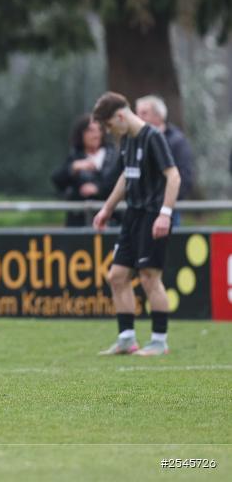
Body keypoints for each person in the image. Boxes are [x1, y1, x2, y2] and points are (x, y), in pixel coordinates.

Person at [91, 91, 180, 357]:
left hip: (153, 215)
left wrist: (165, 214)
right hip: (132, 216)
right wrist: (107, 208)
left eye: (109, 125)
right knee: (116, 276)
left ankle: (159, 342)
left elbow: (174, 176)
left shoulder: (153, 137)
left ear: (120, 116)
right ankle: (126, 339)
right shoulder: (127, 139)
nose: (108, 131)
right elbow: (126, 177)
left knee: (149, 277)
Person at [51, 114, 121, 227]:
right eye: (90, 130)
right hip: (79, 221)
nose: (96, 135)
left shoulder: (114, 155)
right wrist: (73, 168)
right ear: (81, 134)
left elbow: (120, 182)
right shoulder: (75, 156)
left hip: (111, 220)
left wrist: (98, 189)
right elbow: (57, 181)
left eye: (99, 130)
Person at [135, 95, 195, 226]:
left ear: (159, 116)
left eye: (144, 113)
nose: (138, 117)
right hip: (141, 209)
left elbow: (184, 176)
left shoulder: (177, 141)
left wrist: (166, 203)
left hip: (167, 210)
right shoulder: (135, 140)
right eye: (137, 113)